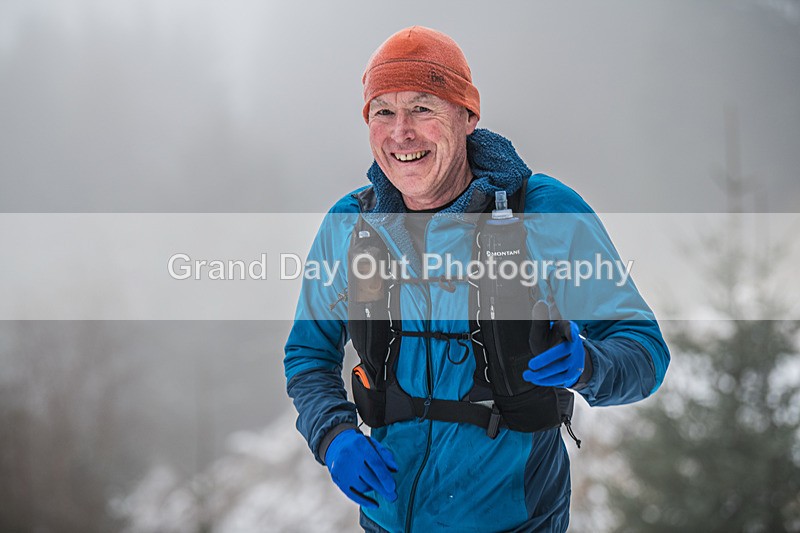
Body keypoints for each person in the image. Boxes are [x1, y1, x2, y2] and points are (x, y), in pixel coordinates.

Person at [284, 26, 669, 532]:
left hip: (516, 522)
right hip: (385, 522)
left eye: (423, 108)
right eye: (383, 111)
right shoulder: (350, 224)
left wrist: (589, 366)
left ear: (467, 116)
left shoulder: (544, 213)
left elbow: (644, 352)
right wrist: (333, 435)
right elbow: (307, 355)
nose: (401, 132)